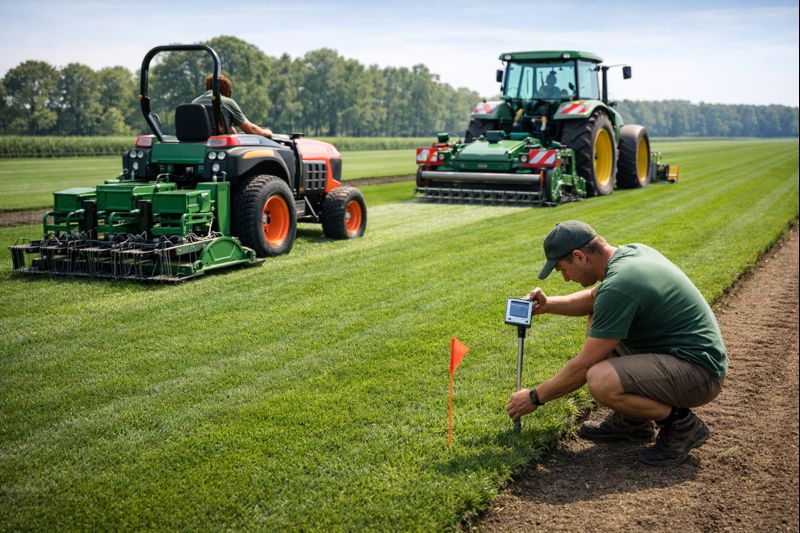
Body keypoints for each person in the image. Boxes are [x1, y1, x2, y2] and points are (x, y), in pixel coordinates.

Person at [506, 221, 728, 466]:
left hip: (699, 373)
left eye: (562, 269)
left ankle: (682, 424)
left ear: (579, 257)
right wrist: (548, 306)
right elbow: (594, 298)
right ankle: (633, 421)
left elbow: (583, 367)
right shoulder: (632, 254)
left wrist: (535, 397)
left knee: (600, 379)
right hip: (684, 358)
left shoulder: (620, 285)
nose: (566, 278)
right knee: (597, 315)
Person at [192, 74, 272, 138]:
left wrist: (230, 129)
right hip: (218, 146)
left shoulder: (194, 103)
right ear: (226, 89)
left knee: (232, 131)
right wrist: (267, 133)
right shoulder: (227, 102)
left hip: (196, 145)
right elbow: (251, 130)